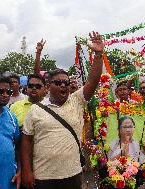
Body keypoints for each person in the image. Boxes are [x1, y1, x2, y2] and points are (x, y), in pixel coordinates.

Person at [21, 31, 104, 189]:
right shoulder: (36, 109)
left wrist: (98, 54)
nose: (63, 85)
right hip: (43, 176)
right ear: (48, 86)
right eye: (58, 82)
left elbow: (93, 80)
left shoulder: (77, 101)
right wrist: (26, 170)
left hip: (72, 174)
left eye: (66, 82)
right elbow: (26, 141)